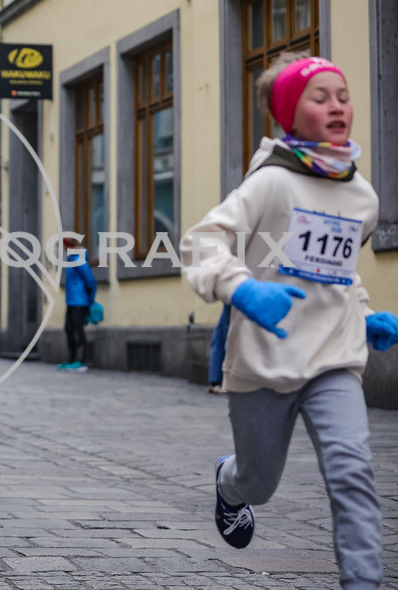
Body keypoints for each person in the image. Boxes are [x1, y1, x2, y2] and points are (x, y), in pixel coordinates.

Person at [180, 54, 398, 590]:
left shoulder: (362, 196)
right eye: (319, 97)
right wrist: (243, 288)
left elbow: (339, 274)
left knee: (352, 473)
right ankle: (230, 485)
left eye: (342, 95)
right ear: (289, 114)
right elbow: (201, 241)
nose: (337, 106)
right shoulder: (270, 183)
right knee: (259, 480)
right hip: (265, 357)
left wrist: (365, 316)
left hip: (334, 357)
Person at [58, 236, 96, 371]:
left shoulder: (78, 260)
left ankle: (81, 361)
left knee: (78, 330)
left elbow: (90, 281)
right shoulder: (71, 260)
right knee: (68, 329)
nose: (63, 249)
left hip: (80, 302)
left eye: (64, 246)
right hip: (72, 301)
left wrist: (90, 300)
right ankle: (72, 358)